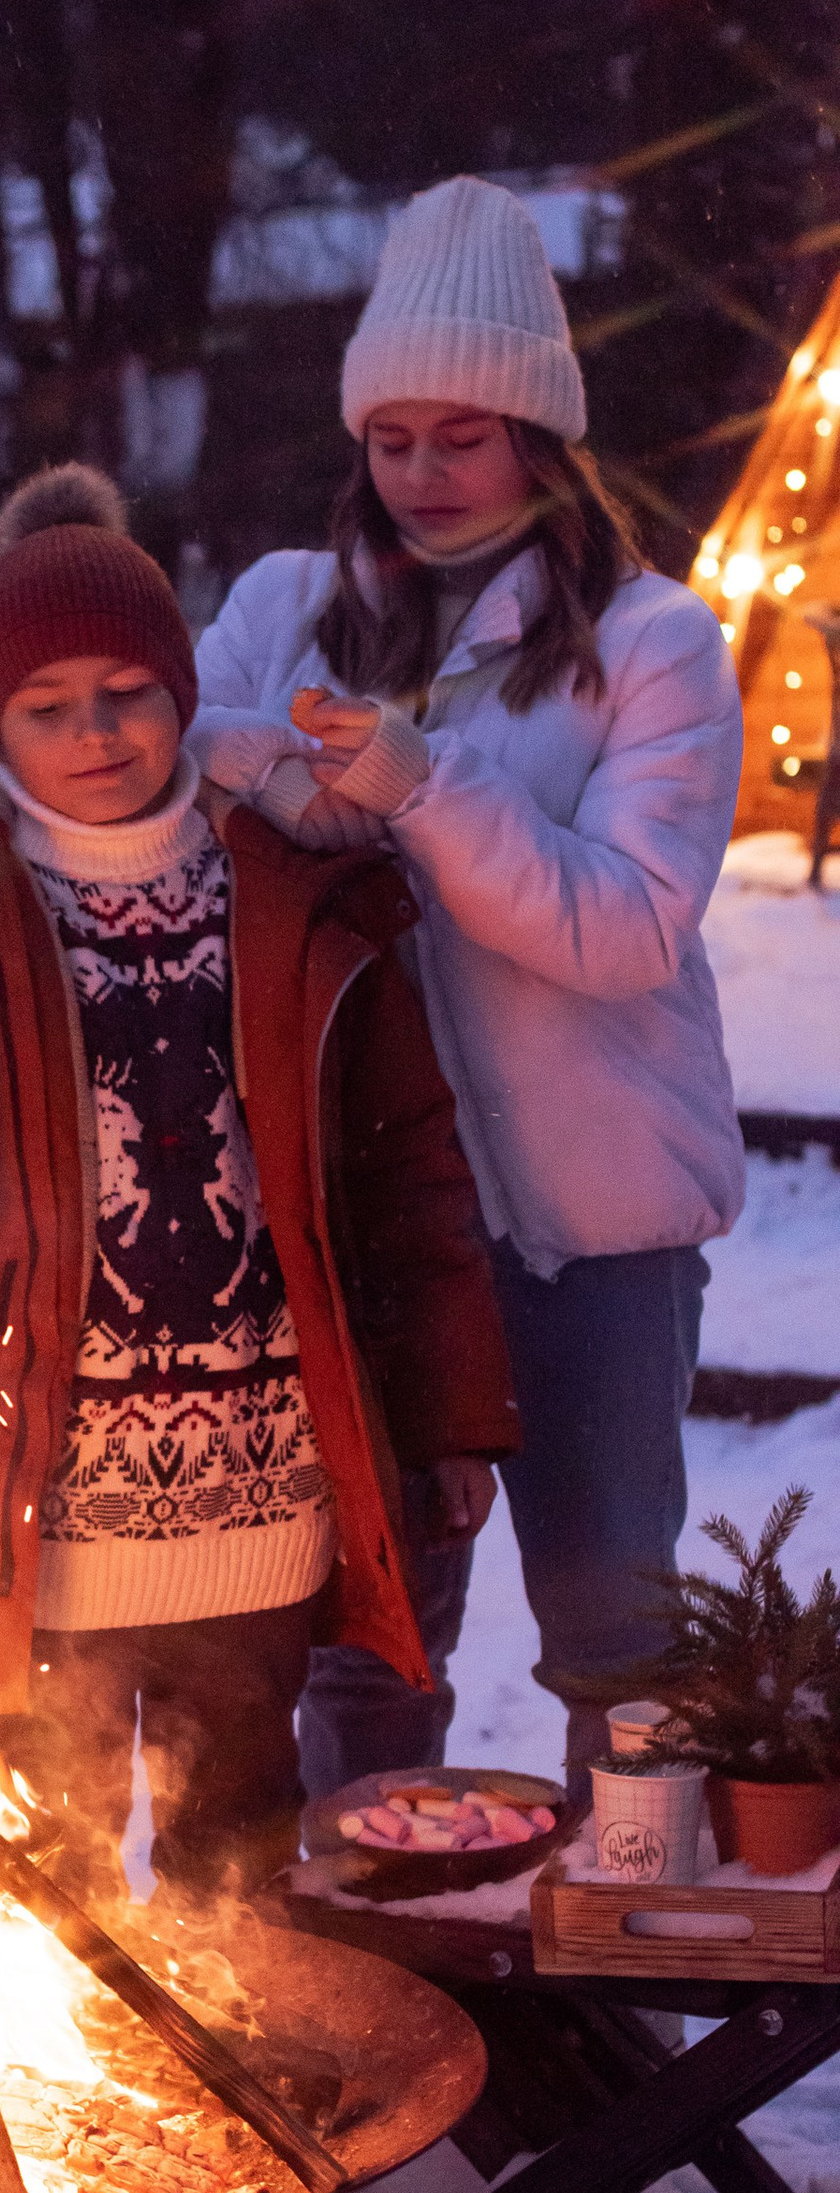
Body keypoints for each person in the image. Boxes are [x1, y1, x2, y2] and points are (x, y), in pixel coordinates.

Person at [0, 467, 516, 1902]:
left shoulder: (295, 887)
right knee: (49, 1866)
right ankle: (74, 2112)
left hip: (258, 1478)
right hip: (41, 1479)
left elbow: (407, 1172)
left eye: (126, 689)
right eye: (46, 707)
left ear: (182, 688)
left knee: (237, 1858)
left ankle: (252, 2112)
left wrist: (446, 1417)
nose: (97, 734)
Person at [188, 174, 746, 1798]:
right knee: (375, 1637)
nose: (422, 476)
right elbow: (174, 765)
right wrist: (294, 782)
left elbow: (629, 927)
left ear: (539, 439)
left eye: (463, 436)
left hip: (594, 1225)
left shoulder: (651, 647)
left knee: (616, 1633)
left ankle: (633, 1990)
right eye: (391, 438)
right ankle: (388, 2001)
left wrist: (431, 791)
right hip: (365, 1217)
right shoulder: (285, 605)